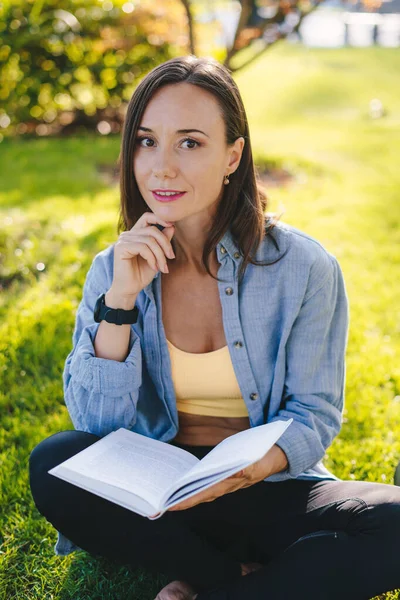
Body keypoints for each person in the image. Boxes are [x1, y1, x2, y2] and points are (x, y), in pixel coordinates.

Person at [29, 55, 400, 600]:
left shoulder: (304, 268)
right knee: (54, 461)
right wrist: (122, 301)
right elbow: (96, 426)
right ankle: (233, 575)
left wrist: (246, 473)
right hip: (158, 497)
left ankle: (208, 583)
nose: (161, 167)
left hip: (265, 484)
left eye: (190, 142)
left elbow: (314, 412)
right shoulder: (114, 268)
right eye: (146, 141)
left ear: (233, 155)